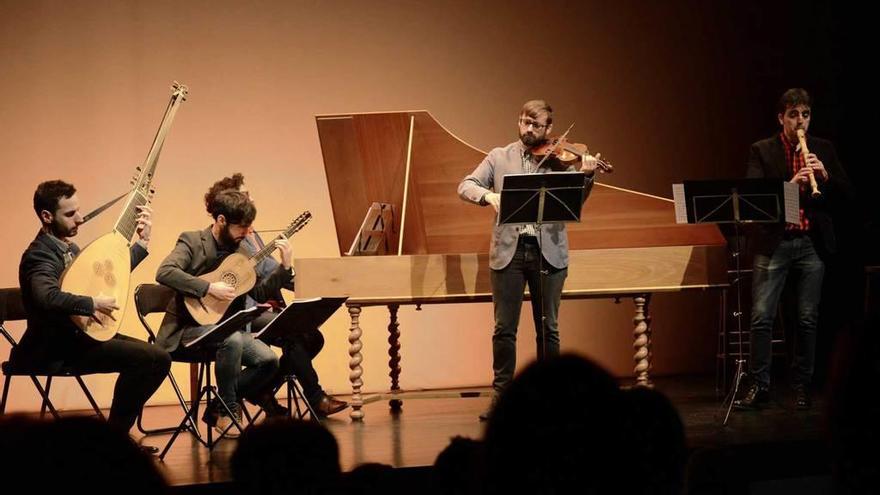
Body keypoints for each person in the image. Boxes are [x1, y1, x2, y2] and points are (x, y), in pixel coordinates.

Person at [457, 100, 600, 419]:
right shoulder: (498, 156)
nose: (527, 130)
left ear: (549, 128)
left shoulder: (560, 160)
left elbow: (574, 203)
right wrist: (488, 195)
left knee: (548, 327)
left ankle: (551, 396)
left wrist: (587, 175)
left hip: (548, 250)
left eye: (535, 125)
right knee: (504, 328)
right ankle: (501, 395)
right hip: (510, 251)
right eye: (523, 122)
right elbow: (465, 185)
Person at [12, 180, 171, 443]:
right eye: (70, 214)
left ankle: (115, 436)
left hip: (80, 338)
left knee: (159, 357)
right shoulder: (38, 256)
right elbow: (46, 297)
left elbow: (109, 276)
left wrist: (141, 243)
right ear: (46, 216)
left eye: (79, 210)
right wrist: (91, 303)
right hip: (55, 348)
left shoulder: (70, 249)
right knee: (146, 359)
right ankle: (115, 441)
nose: (80, 218)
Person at [735, 88, 854, 410]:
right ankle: (759, 386)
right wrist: (792, 184)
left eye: (805, 114)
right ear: (781, 118)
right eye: (793, 115)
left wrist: (824, 178)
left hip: (810, 244)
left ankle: (801, 385)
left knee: (806, 319)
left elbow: (847, 196)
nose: (800, 121)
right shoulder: (762, 150)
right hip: (774, 242)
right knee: (761, 317)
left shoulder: (823, 149)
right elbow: (755, 197)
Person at [203, 174, 346, 417]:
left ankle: (260, 389)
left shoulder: (251, 234)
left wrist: (316, 282)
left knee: (312, 337)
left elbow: (272, 271)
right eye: (246, 195)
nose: (253, 199)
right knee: (296, 333)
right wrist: (289, 275)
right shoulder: (236, 239)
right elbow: (267, 271)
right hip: (241, 312)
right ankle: (315, 397)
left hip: (258, 304)